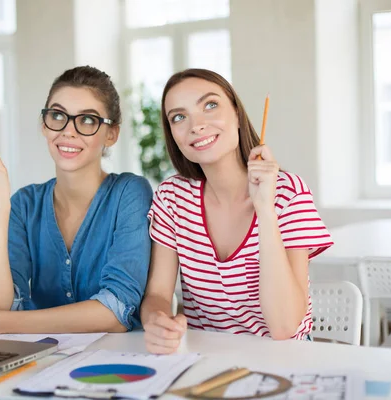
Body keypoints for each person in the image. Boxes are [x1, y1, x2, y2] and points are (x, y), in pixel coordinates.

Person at [141, 69, 333, 354]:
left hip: (284, 358)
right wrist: (156, 320)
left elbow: (284, 328)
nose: (196, 125)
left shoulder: (289, 193)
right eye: (179, 117)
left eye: (210, 105)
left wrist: (265, 210)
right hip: (205, 357)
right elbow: (157, 293)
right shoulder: (172, 197)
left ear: (237, 114)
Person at [0, 66, 153, 334]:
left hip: (117, 361)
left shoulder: (130, 193)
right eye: (57, 115)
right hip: (43, 362)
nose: (68, 131)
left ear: (111, 134)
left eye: (87, 120)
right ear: (44, 125)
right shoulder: (24, 204)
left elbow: (115, 311)